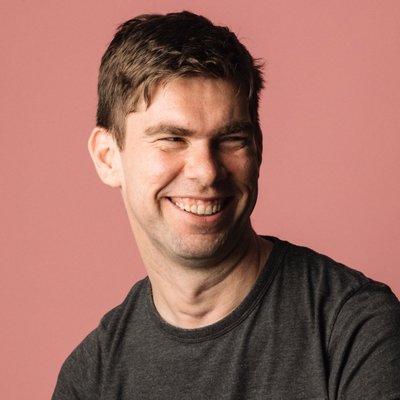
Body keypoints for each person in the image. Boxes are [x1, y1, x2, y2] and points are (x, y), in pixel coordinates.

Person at [53, 11, 400, 399]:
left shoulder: (352, 327)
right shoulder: (90, 379)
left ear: (258, 150)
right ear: (107, 157)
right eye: (172, 139)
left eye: (231, 139)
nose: (207, 172)